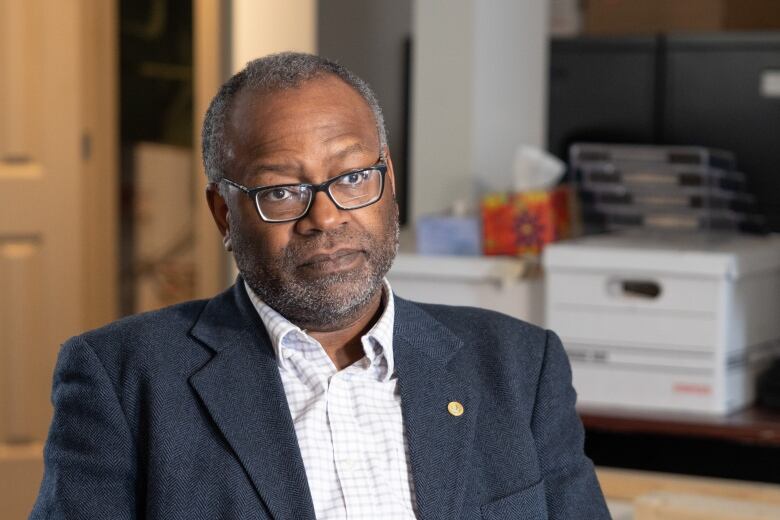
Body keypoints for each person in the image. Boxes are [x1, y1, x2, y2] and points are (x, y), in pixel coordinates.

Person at [31, 52, 609, 519]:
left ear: (388, 180)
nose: (326, 218)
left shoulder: (520, 366)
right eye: (281, 190)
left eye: (353, 177)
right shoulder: (121, 378)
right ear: (224, 215)